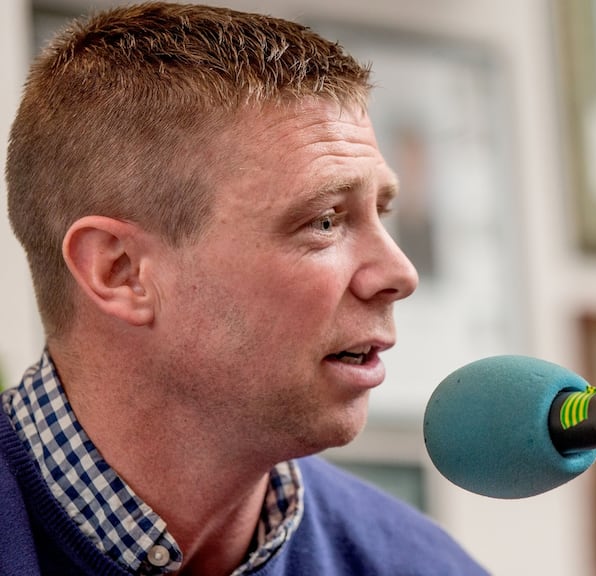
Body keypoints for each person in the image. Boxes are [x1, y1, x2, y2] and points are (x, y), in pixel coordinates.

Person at [0, 3, 488, 574]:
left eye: (382, 210)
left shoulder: (420, 563)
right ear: (121, 271)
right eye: (326, 221)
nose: (400, 273)